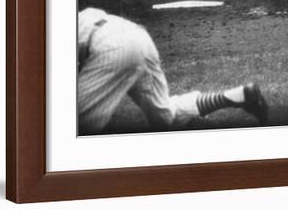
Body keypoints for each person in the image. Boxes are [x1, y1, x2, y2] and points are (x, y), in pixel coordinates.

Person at [78, 7, 269, 134]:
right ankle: (236, 96)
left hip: (109, 46)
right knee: (165, 118)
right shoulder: (81, 16)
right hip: (138, 35)